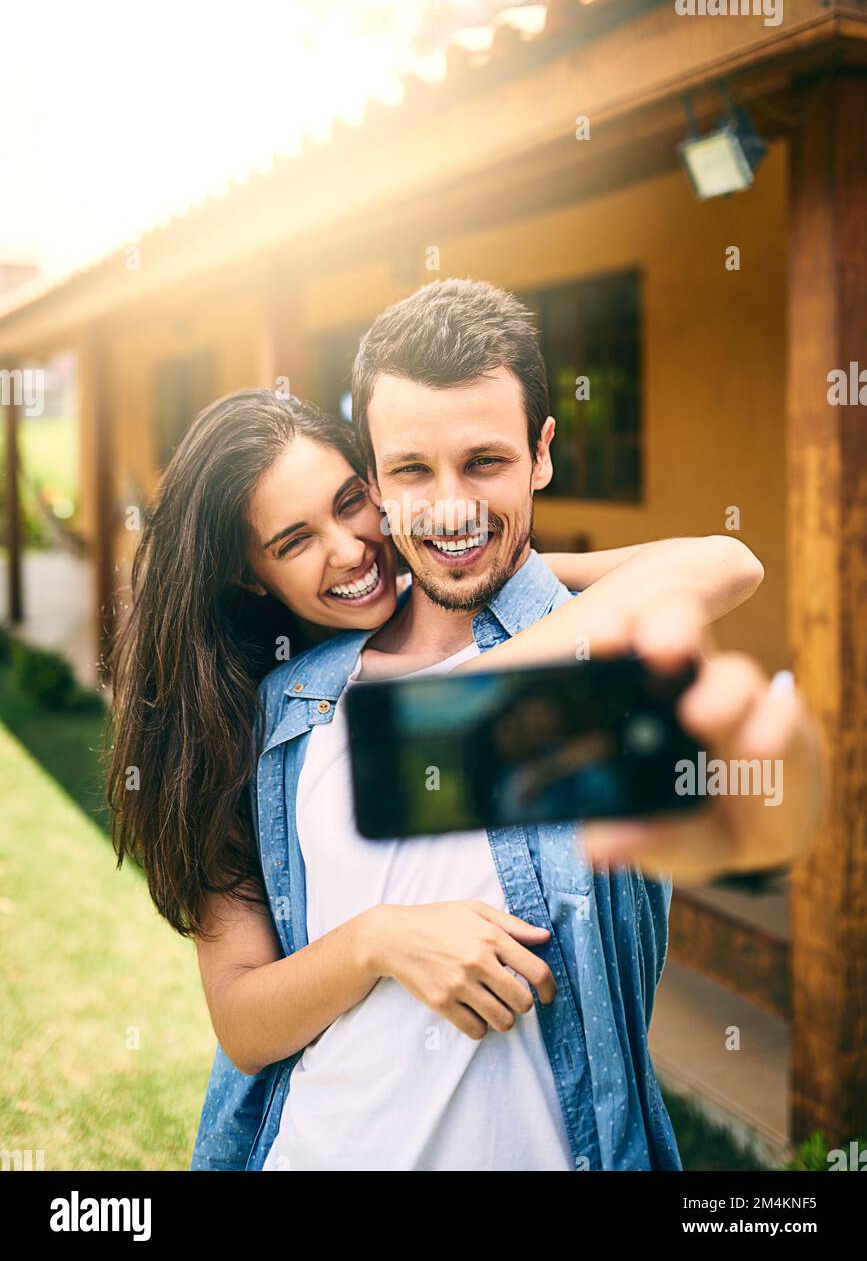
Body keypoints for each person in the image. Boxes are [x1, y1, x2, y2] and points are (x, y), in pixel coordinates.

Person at [184, 279, 822, 1171]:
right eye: (411, 471)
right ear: (373, 474)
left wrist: (502, 641)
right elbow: (246, 1025)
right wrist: (379, 941)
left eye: (484, 462)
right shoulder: (278, 711)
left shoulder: (598, 665)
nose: (448, 507)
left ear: (540, 454)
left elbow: (724, 581)